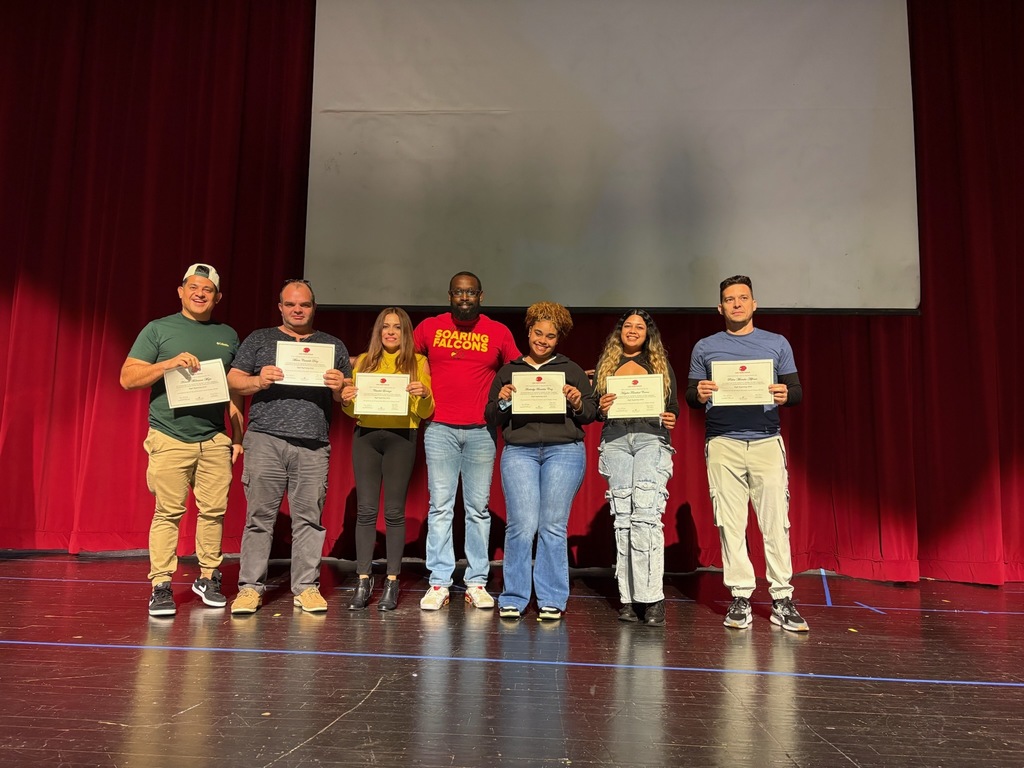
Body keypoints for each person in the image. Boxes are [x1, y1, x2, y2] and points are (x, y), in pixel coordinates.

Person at [120, 263, 244, 617]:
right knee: (168, 513)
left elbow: (232, 390)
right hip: (170, 437)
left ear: (217, 297)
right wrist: (167, 364)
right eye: (193, 287)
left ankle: (208, 576)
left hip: (214, 441)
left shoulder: (228, 335)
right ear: (181, 291)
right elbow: (128, 378)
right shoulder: (158, 329)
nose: (199, 293)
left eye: (207, 289)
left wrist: (236, 436)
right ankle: (161, 584)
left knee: (214, 512)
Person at [685, 275, 808, 632]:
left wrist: (787, 394)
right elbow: (692, 397)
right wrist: (702, 393)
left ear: (754, 304)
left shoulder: (777, 343)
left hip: (767, 441)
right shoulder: (705, 347)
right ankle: (740, 596)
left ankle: (782, 599)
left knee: (775, 523)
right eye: (729, 299)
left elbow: (796, 390)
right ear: (719, 307)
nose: (737, 303)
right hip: (723, 442)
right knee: (730, 524)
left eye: (743, 298)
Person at [227, 279, 352, 614]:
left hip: (312, 444)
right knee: (259, 517)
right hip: (265, 438)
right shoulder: (260, 339)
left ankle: (306, 588)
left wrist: (341, 387)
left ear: (314, 307)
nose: (298, 310)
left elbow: (345, 396)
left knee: (309, 519)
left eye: (305, 305)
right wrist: (258, 380)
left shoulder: (332, 345)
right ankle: (250, 588)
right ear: (280, 306)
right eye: (291, 304)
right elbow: (233, 379)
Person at [413, 272, 520, 610]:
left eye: (470, 292)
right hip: (439, 428)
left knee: (478, 509)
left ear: (481, 296)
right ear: (449, 295)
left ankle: (476, 581)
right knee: (440, 506)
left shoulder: (498, 332)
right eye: (458, 292)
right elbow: (396, 358)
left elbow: (521, 370)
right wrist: (355, 367)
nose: (464, 297)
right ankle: (439, 582)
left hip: (481, 430)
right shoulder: (429, 327)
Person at [485, 302, 596, 621]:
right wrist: (504, 400)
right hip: (520, 451)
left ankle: (551, 598)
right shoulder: (510, 370)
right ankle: (514, 596)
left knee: (552, 525)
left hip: (564, 451)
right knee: (521, 525)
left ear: (558, 339)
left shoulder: (571, 369)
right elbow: (490, 415)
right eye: (538, 333)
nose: (543, 340)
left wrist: (576, 400)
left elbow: (590, 413)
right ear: (529, 330)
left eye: (550, 336)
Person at [341, 307, 434, 611]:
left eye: (397, 327)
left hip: (401, 438)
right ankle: (363, 579)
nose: (391, 332)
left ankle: (392, 581)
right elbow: (353, 412)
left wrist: (423, 395)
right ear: (378, 331)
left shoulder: (418, 362)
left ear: (406, 333)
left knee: (394, 512)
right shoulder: (365, 361)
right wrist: (347, 400)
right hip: (366, 437)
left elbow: (425, 412)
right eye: (385, 327)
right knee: (366, 511)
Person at [592, 310, 678, 627]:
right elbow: (593, 409)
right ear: (619, 332)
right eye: (627, 325)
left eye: (639, 326)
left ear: (647, 333)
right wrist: (599, 407)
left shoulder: (658, 365)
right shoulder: (606, 366)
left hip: (649, 438)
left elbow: (673, 409)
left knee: (646, 516)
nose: (632, 330)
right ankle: (628, 599)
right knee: (624, 521)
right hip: (614, 440)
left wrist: (671, 418)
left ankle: (652, 599)